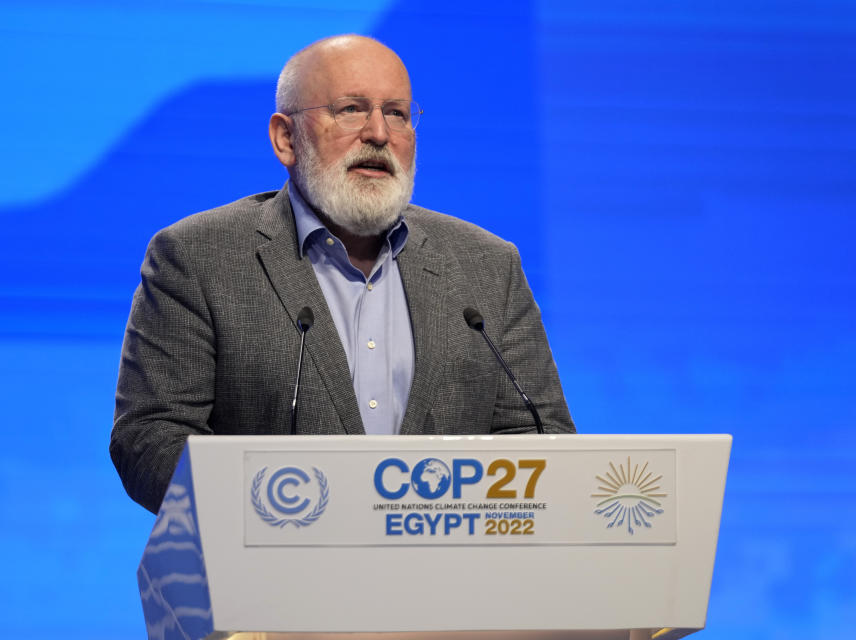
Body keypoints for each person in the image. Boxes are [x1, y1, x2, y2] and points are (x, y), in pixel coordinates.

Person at [111, 35, 575, 514]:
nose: (379, 133)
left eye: (397, 113)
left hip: (450, 577)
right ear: (285, 138)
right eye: (351, 109)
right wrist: (286, 512)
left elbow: (542, 438)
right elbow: (150, 439)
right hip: (271, 577)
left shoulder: (487, 265)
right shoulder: (198, 257)